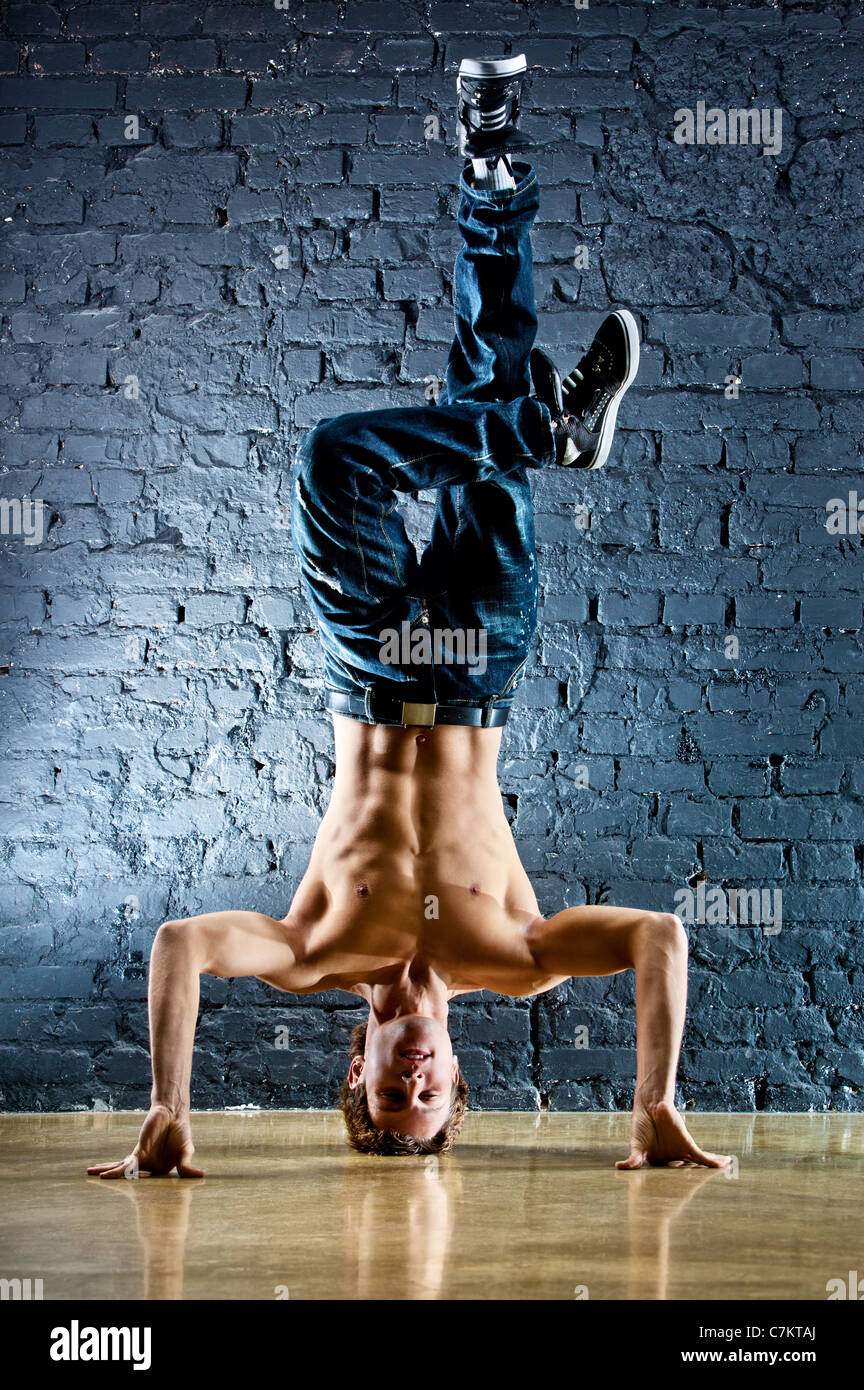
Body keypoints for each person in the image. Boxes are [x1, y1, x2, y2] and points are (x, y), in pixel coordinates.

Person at [87, 55, 731, 1176]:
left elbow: (180, 946)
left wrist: (167, 1105)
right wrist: (652, 1102)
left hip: (372, 656)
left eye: (393, 1093)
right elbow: (657, 939)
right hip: (478, 659)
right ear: (457, 1077)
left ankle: (540, 427)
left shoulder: (312, 949)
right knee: (486, 385)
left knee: (335, 459)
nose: (415, 1080)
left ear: (358, 1067)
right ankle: (492, 166)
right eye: (433, 1099)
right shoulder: (515, 954)